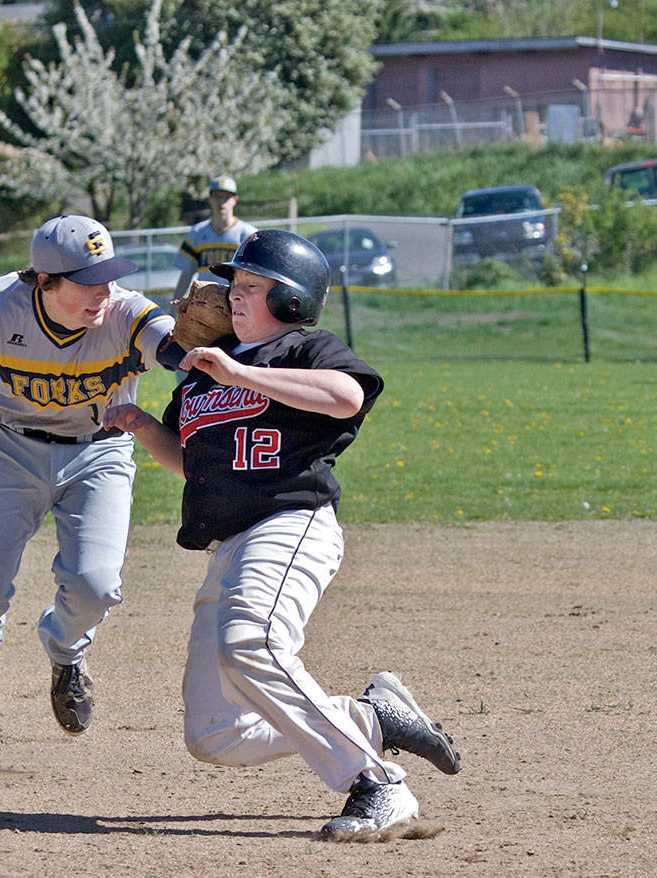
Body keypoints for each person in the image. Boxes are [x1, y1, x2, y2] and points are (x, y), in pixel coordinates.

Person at [105, 229, 461, 840]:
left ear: (292, 300)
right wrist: (139, 422)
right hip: (226, 545)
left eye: (249, 286)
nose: (229, 296)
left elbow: (347, 397)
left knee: (253, 643)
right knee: (216, 733)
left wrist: (242, 371)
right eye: (232, 285)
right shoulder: (201, 376)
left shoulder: (301, 349)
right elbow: (193, 461)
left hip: (288, 524)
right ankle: (373, 718)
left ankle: (377, 785)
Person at [0, 214, 178, 772]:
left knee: (95, 586)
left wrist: (197, 348)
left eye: (108, 276)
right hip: (8, 452)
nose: (104, 291)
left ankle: (65, 649)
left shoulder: (126, 312)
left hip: (100, 450)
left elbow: (173, 348)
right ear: (45, 282)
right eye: (89, 281)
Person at [172, 175, 258, 303]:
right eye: (217, 196)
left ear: (235, 199)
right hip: (204, 303)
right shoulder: (197, 232)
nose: (221, 201)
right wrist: (174, 309)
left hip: (236, 303)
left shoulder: (248, 234)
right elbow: (186, 275)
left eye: (226, 197)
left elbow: (256, 277)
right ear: (209, 199)